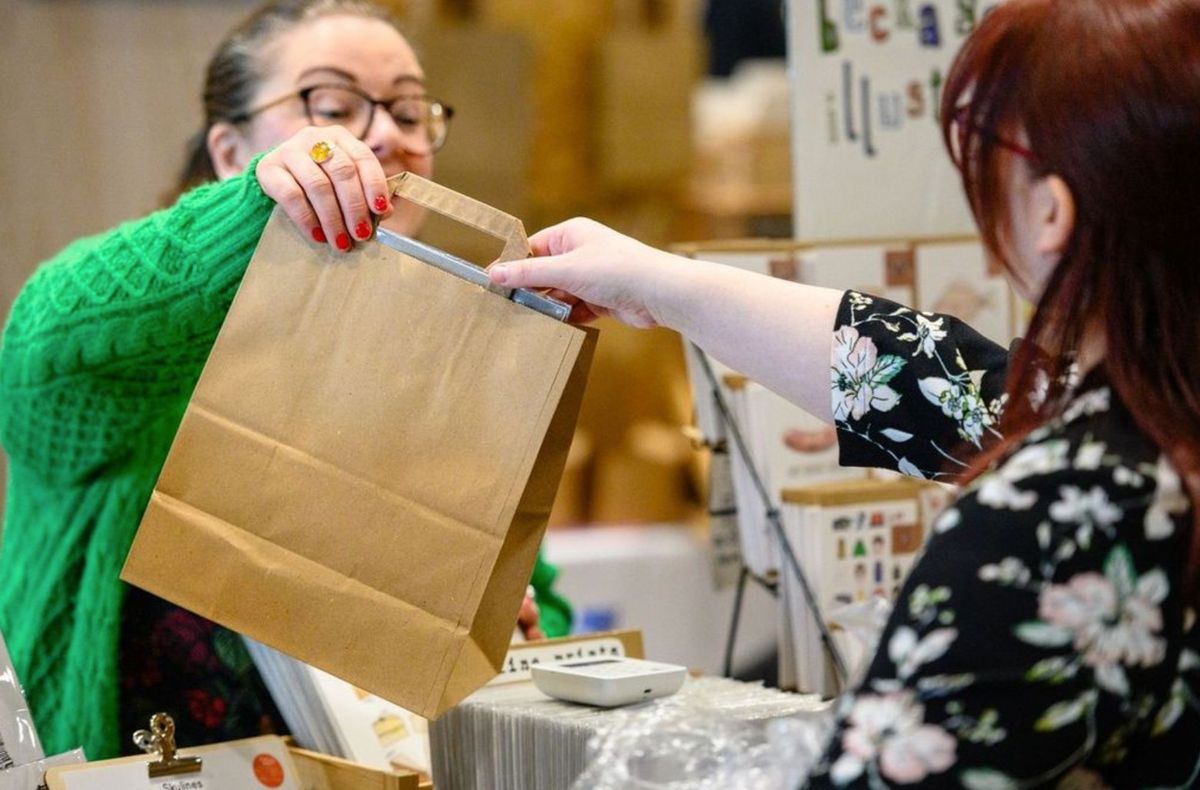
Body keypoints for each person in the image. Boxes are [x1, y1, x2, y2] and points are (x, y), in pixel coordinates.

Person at [488, 0, 1200, 785]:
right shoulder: (1154, 424)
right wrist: (657, 285)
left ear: (1052, 211)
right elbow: (946, 386)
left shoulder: (1044, 518)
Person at [0, 0, 570, 761]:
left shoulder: (445, 375)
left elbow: (545, 605)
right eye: (331, 107)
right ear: (232, 150)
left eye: (409, 109)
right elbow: (44, 339)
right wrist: (253, 213)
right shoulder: (141, 360)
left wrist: (520, 633)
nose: (385, 135)